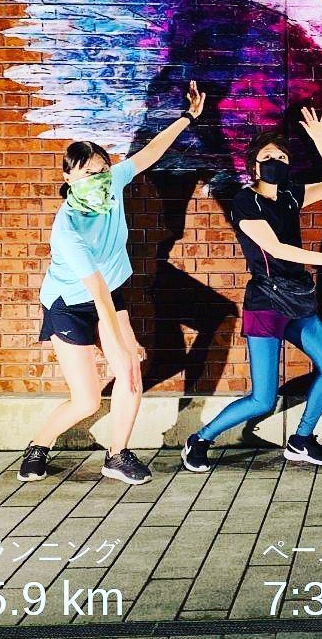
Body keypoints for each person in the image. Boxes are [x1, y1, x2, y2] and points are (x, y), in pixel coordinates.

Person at [18, 82, 206, 485]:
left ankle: (117, 455)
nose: (99, 178)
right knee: (86, 400)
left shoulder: (114, 184)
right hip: (70, 303)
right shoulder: (67, 229)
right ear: (69, 176)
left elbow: (150, 153)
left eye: (103, 170)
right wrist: (122, 342)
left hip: (109, 292)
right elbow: (97, 294)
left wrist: (188, 118)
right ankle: (39, 445)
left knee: (130, 374)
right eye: (89, 172)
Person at [181, 108, 322, 473]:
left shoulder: (291, 194)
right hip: (266, 302)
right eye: (267, 157)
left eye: (281, 157)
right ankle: (200, 439)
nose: (275, 162)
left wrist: (320, 141)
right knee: (263, 399)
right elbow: (276, 248)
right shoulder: (245, 201)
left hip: (297, 298)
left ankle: (302, 439)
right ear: (254, 165)